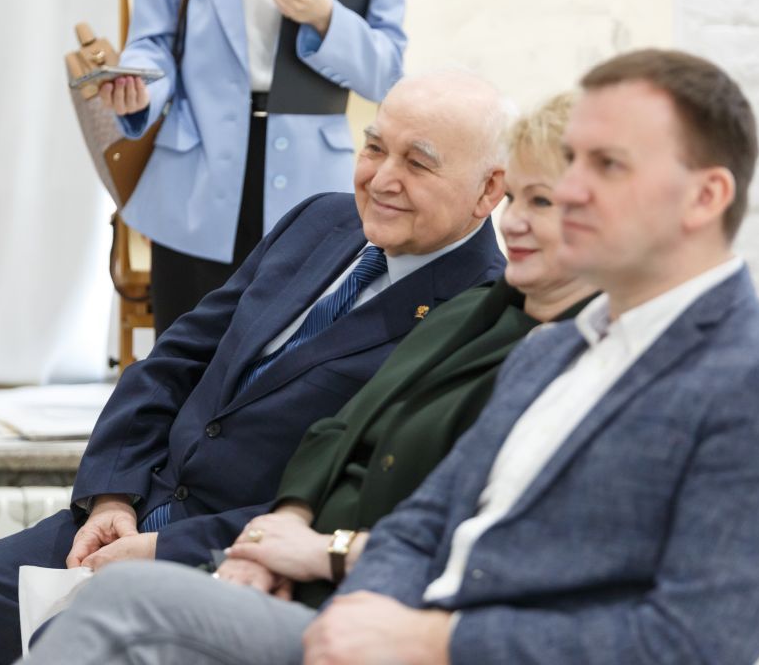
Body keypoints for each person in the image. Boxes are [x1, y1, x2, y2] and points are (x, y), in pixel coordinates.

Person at [25, 49, 759, 665]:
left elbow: (692, 646)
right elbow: (426, 521)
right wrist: (358, 603)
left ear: (705, 197)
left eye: (605, 166)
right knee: (119, 605)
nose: (569, 193)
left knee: (128, 612)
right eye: (569, 166)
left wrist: (428, 640)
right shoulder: (554, 349)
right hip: (387, 625)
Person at [0, 72, 506, 665]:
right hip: (138, 504)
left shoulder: (484, 315)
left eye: (417, 163)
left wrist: (167, 547)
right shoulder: (321, 220)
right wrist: (113, 497)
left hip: (242, 554)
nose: (382, 178)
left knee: (74, 640)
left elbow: (369, 494)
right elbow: (176, 359)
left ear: (488, 190)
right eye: (374, 148)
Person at [209, 92, 597, 608]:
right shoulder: (476, 309)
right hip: (292, 569)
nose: (513, 222)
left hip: (377, 604)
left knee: (129, 600)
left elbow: (488, 536)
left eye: (542, 202)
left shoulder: (585, 357)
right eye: (517, 199)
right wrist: (278, 531)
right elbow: (339, 431)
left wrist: (329, 553)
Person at [100, 0, 406, 334]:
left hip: (311, 187)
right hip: (198, 177)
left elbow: (387, 72)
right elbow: (152, 42)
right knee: (184, 362)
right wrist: (138, 90)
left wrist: (326, 17)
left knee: (292, 365)